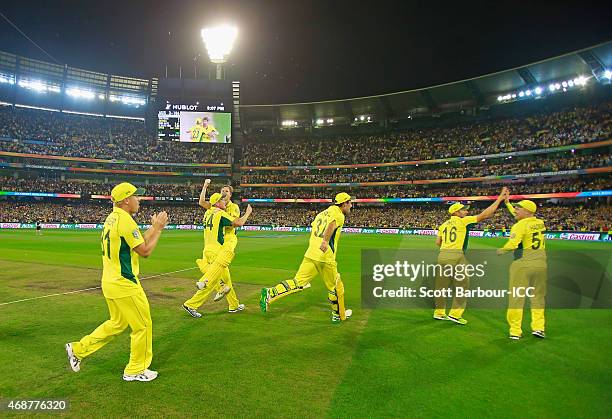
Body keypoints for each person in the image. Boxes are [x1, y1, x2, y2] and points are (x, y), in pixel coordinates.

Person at [65, 182, 169, 382]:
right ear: (126, 200)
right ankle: (135, 369)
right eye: (136, 197)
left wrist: (154, 229)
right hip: (124, 283)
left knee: (117, 323)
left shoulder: (113, 218)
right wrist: (158, 229)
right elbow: (145, 251)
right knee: (143, 326)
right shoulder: (126, 221)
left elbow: (137, 243)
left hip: (110, 282)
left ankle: (78, 349)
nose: (139, 200)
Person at [259, 192, 353, 323]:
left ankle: (271, 293)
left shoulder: (322, 213)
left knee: (298, 282)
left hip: (311, 253)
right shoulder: (338, 214)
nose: (351, 206)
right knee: (336, 287)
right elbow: (331, 225)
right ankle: (338, 315)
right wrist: (325, 241)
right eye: (350, 203)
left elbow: (314, 228)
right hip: (325, 256)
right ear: (344, 204)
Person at [434, 187, 508, 325]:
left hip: (443, 255)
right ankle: (455, 314)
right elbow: (485, 214)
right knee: (463, 285)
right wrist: (499, 199)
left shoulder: (443, 225)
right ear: (456, 212)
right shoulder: (464, 221)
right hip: (457, 255)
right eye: (463, 210)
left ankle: (439, 312)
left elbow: (438, 242)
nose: (466, 211)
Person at [182, 193, 252, 318]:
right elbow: (239, 223)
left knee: (225, 280)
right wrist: (247, 213)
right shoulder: (220, 214)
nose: (224, 201)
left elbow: (204, 204)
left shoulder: (207, 213)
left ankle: (234, 305)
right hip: (216, 251)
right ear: (217, 203)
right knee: (213, 282)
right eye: (222, 200)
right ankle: (191, 305)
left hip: (207, 250)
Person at [497, 199, 547, 340]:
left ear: (527, 211)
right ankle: (539, 328)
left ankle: (515, 330)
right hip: (540, 264)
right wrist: (507, 203)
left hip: (523, 264)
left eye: (518, 208)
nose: (515, 210)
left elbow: (513, 244)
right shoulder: (540, 223)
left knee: (516, 298)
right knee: (538, 297)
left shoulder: (519, 226)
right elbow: (519, 215)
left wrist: (501, 250)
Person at [197, 179, 244, 312]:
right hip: (217, 241)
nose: (223, 192)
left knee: (221, 272)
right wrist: (205, 186)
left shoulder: (233, 207)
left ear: (230, 194)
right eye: (222, 191)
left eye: (226, 191)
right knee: (222, 273)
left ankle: (230, 302)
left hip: (227, 239)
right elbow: (202, 202)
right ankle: (228, 300)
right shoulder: (217, 206)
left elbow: (235, 222)